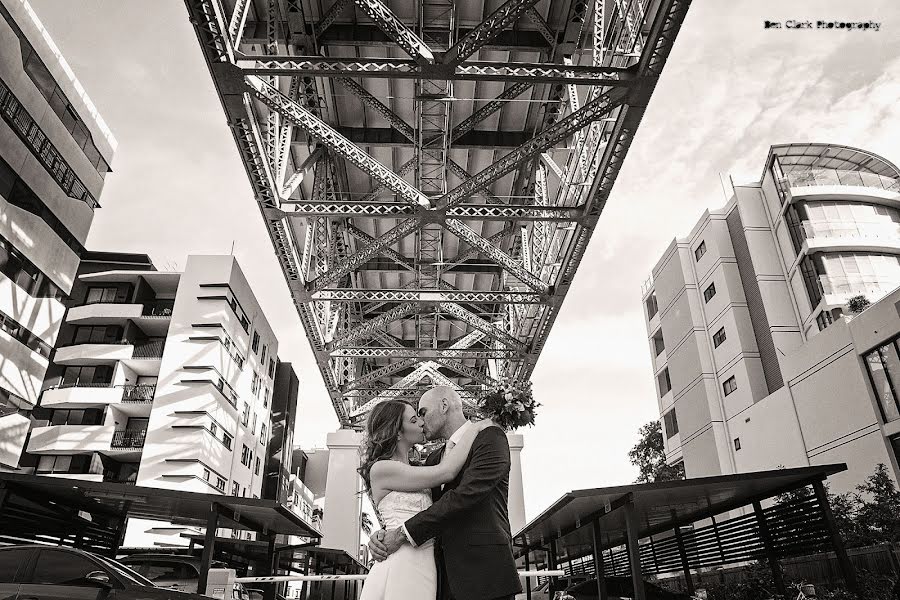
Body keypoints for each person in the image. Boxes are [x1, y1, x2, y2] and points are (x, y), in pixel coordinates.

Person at [368, 386, 522, 600]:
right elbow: (423, 498)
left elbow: (465, 496)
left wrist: (401, 533)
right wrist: (382, 534)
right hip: (440, 577)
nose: (421, 422)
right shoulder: (432, 460)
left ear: (443, 405)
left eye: (422, 413)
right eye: (415, 419)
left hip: (485, 576)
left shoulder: (490, 437)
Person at [358, 398, 489, 600]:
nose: (421, 422)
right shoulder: (382, 469)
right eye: (413, 420)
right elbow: (447, 471)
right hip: (402, 562)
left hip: (427, 564)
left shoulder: (420, 468)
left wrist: (381, 534)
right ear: (398, 432)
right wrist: (474, 427)